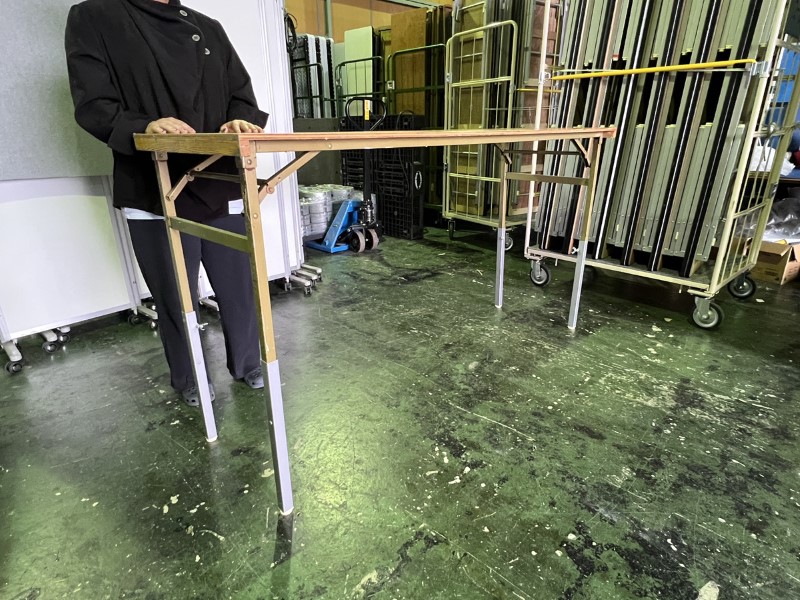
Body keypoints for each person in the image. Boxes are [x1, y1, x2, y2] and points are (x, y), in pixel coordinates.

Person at [65, 0, 267, 406]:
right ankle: (189, 376)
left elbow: (240, 95)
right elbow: (93, 103)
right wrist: (143, 125)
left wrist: (239, 119)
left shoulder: (209, 26)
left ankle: (248, 362)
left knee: (238, 287)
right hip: (152, 182)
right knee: (175, 297)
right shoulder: (95, 16)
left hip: (217, 176)